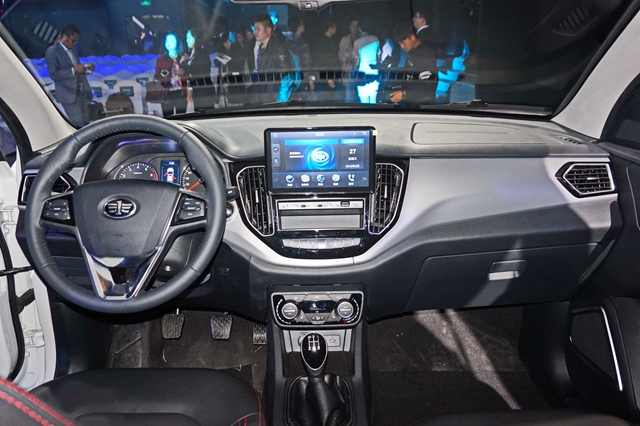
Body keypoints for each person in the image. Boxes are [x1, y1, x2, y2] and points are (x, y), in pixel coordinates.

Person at [45, 24, 95, 127]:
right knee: (79, 124)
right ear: (64, 37)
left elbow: (77, 69)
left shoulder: (73, 49)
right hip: (68, 94)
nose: (75, 44)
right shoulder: (52, 51)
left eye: (76, 41)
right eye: (73, 41)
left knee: (87, 124)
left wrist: (86, 69)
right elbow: (54, 74)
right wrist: (73, 70)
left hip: (81, 92)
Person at [388, 23, 438, 105]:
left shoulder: (425, 55)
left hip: (423, 105)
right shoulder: (413, 52)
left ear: (413, 37)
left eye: (403, 42)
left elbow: (429, 87)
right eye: (399, 44)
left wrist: (404, 94)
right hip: (412, 102)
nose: (402, 46)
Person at [250, 14, 294, 103]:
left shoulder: (278, 48)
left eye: (258, 29)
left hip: (273, 101)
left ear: (268, 30)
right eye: (254, 29)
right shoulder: (260, 48)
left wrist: (280, 102)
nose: (255, 32)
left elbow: (287, 77)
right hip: (262, 99)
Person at [181, 28, 216, 112]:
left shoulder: (201, 53)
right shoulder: (193, 52)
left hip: (203, 91)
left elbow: (196, 71)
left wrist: (183, 63)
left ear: (196, 38)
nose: (187, 40)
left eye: (189, 38)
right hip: (199, 90)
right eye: (186, 38)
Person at [154, 32, 187, 117]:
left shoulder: (183, 57)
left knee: (182, 116)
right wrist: (165, 73)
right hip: (166, 92)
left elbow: (191, 72)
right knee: (168, 117)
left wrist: (184, 71)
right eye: (167, 41)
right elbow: (157, 75)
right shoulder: (161, 59)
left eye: (172, 41)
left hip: (180, 91)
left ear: (177, 42)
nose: (169, 43)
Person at [285, 16, 314, 98]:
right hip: (301, 79)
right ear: (297, 26)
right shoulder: (302, 43)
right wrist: (309, 79)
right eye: (301, 24)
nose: (303, 25)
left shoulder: (286, 42)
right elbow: (306, 63)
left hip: (289, 79)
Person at [313, 21, 340, 101]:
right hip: (328, 77)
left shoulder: (328, 41)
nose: (336, 29)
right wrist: (328, 78)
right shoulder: (323, 43)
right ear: (330, 27)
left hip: (331, 76)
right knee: (329, 100)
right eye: (335, 27)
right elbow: (322, 62)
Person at [338, 20, 361, 96]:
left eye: (357, 26)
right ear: (350, 26)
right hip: (348, 71)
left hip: (358, 72)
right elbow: (340, 56)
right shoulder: (345, 40)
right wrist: (348, 57)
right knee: (349, 95)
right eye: (353, 25)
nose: (355, 28)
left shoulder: (361, 40)